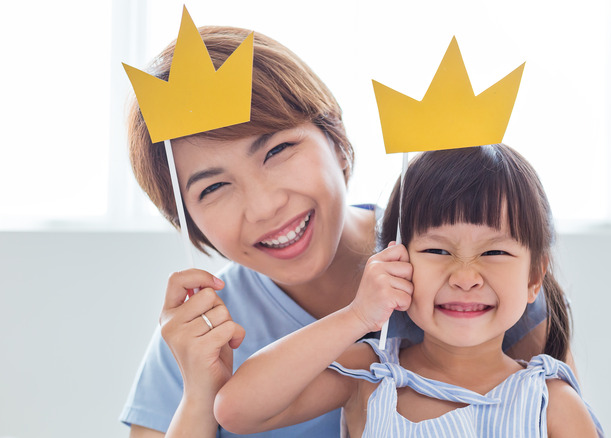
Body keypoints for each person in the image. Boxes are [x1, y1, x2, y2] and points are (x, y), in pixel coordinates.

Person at [120, 25, 562, 438]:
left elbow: (547, 409)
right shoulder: (202, 329)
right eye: (213, 187)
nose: (264, 206)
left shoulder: (470, 260)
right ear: (186, 218)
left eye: (278, 150)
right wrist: (200, 392)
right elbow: (233, 408)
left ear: (336, 139)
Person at [214, 144, 603, 437]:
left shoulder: (551, 403)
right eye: (437, 250)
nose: (465, 277)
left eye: (495, 251)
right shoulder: (371, 375)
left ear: (534, 277)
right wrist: (358, 316)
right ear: (396, 263)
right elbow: (236, 409)